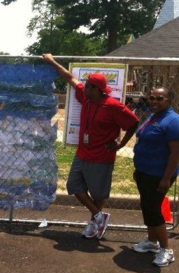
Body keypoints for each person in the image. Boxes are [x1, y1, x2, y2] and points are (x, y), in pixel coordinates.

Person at [42, 53, 139, 239]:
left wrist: (121, 143)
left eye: (88, 86)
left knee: (98, 192)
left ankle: (94, 223)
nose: (83, 87)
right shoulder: (86, 98)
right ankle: (99, 216)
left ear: (97, 89)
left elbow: (133, 122)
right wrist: (52, 61)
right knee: (73, 185)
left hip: (102, 156)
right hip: (83, 153)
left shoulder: (113, 106)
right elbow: (70, 77)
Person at [132, 87, 179, 267]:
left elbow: (175, 154)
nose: (154, 101)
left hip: (159, 174)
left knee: (153, 209)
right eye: (151, 98)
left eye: (160, 98)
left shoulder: (173, 121)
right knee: (147, 206)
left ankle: (166, 250)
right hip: (144, 172)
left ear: (169, 100)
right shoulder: (153, 116)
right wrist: (139, 170)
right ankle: (151, 242)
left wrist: (166, 178)